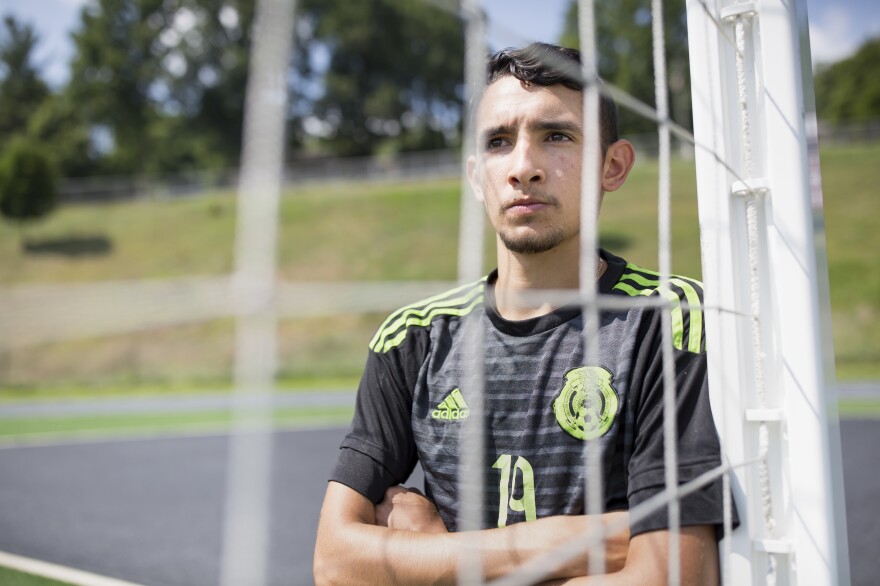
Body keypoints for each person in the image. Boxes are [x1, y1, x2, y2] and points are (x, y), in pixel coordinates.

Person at [314, 42, 730, 585]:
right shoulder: (413, 339)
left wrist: (443, 558)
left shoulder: (668, 319)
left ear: (613, 165)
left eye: (556, 136)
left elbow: (676, 575)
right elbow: (335, 563)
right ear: (475, 175)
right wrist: (584, 539)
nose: (523, 167)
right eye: (498, 142)